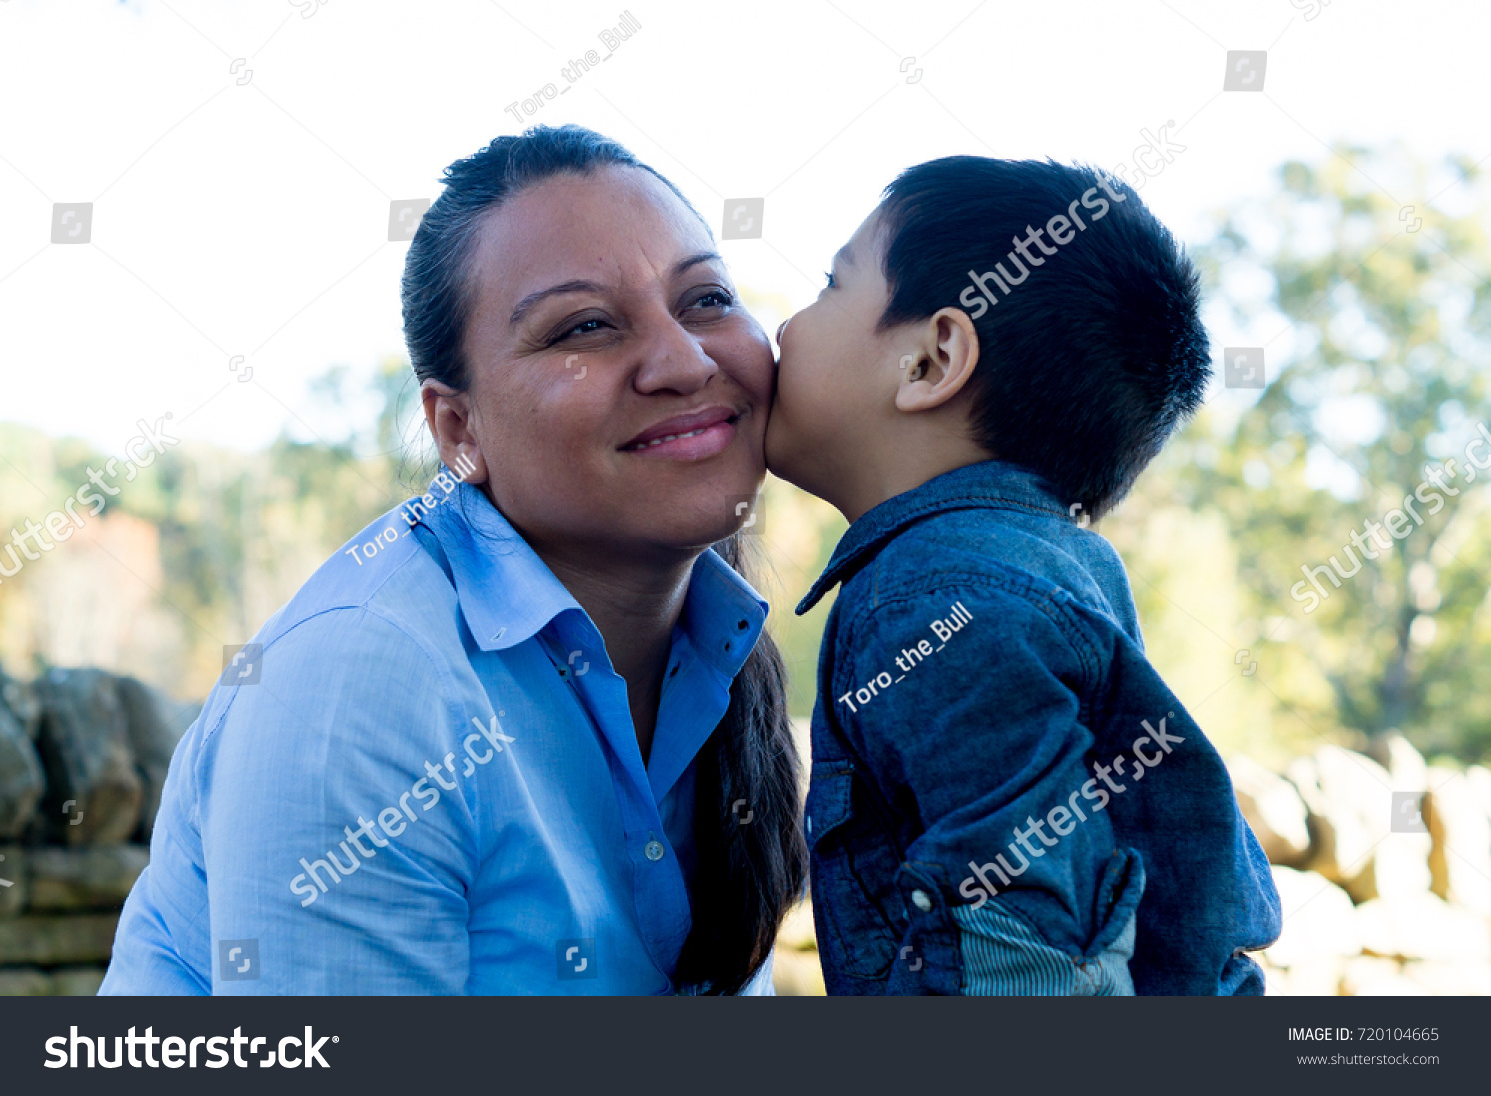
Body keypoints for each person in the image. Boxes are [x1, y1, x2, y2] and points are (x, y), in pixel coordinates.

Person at [100, 125, 806, 995]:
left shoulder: (715, 648)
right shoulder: (364, 678)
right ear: (460, 431)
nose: (683, 359)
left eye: (704, 300)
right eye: (585, 326)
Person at [765, 155, 1281, 995]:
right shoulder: (1049, 563)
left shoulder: (936, 597)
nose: (785, 329)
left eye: (831, 285)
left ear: (931, 360)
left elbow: (1026, 954)